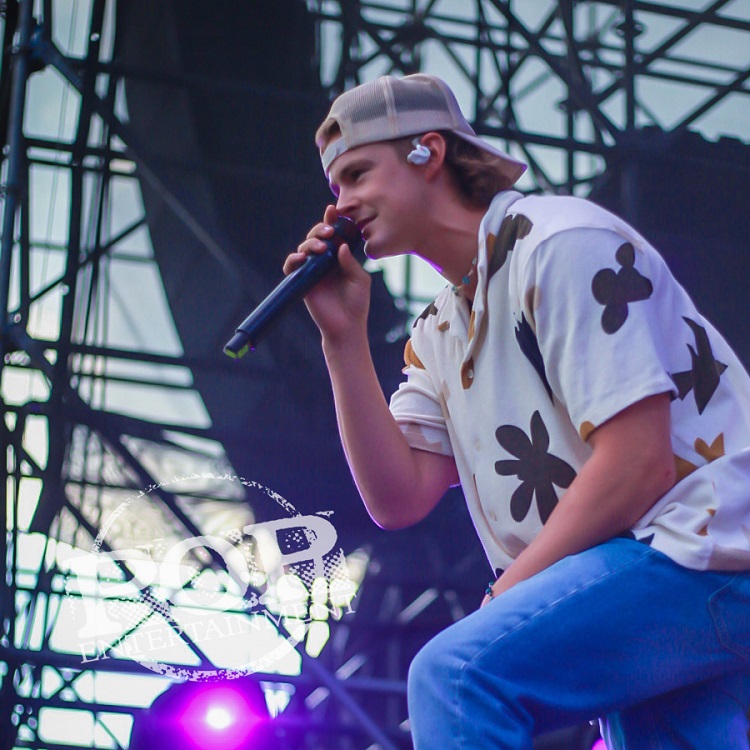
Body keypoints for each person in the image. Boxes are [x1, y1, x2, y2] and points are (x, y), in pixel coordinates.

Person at [284, 73, 750, 749]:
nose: (342, 206)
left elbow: (636, 465)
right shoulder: (439, 329)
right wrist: (342, 339)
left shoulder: (559, 242)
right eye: (335, 188)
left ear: (427, 151)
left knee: (457, 676)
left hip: (698, 544)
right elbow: (398, 497)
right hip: (655, 572)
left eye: (357, 174)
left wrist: (509, 594)